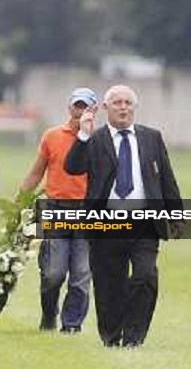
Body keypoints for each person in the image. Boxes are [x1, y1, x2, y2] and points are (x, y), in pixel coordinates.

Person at [64, 84, 184, 348]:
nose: (123, 107)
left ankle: (134, 338)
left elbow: (167, 179)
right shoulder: (95, 140)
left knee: (145, 276)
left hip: (145, 224)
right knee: (109, 285)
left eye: (128, 103)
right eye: (117, 102)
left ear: (134, 107)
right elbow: (72, 167)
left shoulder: (152, 137)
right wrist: (83, 135)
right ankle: (111, 336)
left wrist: (177, 216)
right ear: (105, 108)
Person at [19, 87, 97, 334]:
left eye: (85, 107)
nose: (80, 111)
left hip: (87, 211)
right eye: (77, 106)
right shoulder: (52, 136)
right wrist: (19, 201)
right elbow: (36, 172)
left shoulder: (101, 140)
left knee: (82, 274)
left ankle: (72, 324)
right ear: (69, 108)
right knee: (52, 272)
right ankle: (48, 313)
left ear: (94, 111)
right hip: (54, 208)